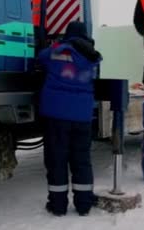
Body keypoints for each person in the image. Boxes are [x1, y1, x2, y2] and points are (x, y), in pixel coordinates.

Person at [37, 21, 102, 216]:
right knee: (82, 160)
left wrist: (54, 44)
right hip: (82, 117)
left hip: (56, 115)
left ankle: (57, 206)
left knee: (57, 159)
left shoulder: (58, 50)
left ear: (68, 34)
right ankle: (83, 204)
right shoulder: (92, 56)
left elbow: (40, 58)